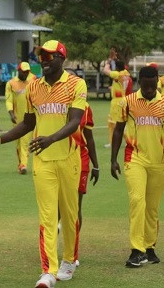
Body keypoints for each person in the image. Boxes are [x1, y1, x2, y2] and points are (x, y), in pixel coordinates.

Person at [0, 40, 87, 288]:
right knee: (46, 217)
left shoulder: (76, 84)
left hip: (68, 158)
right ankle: (48, 271)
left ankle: (69, 259)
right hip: (43, 162)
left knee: (70, 214)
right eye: (41, 55)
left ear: (62, 59)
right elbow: (28, 124)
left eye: (49, 56)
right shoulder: (33, 87)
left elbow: (75, 121)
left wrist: (51, 139)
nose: (43, 60)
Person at [110, 65, 164, 268]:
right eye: (147, 86)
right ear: (140, 82)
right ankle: (136, 250)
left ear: (157, 83)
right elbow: (118, 131)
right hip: (134, 158)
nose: (150, 90)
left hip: (159, 161)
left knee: (152, 207)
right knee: (137, 200)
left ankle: (149, 247)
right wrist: (113, 159)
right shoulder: (128, 102)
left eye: (153, 86)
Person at [66, 68, 100, 266]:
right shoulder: (54, 105)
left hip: (81, 157)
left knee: (76, 206)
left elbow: (89, 137)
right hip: (59, 158)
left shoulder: (85, 107)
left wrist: (96, 165)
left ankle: (73, 252)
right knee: (59, 208)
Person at [4, 61, 36, 174]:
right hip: (17, 118)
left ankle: (23, 165)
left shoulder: (33, 81)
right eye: (24, 72)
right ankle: (21, 164)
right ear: (18, 71)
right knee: (18, 143)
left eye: (27, 72)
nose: (26, 74)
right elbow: (8, 100)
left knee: (25, 141)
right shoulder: (11, 84)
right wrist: (11, 113)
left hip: (29, 118)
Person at [102, 48, 131, 148]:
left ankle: (129, 140)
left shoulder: (118, 74)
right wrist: (112, 87)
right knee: (111, 122)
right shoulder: (126, 73)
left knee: (116, 122)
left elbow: (105, 70)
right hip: (121, 98)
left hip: (117, 101)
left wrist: (109, 61)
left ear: (117, 68)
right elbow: (119, 84)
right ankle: (111, 142)